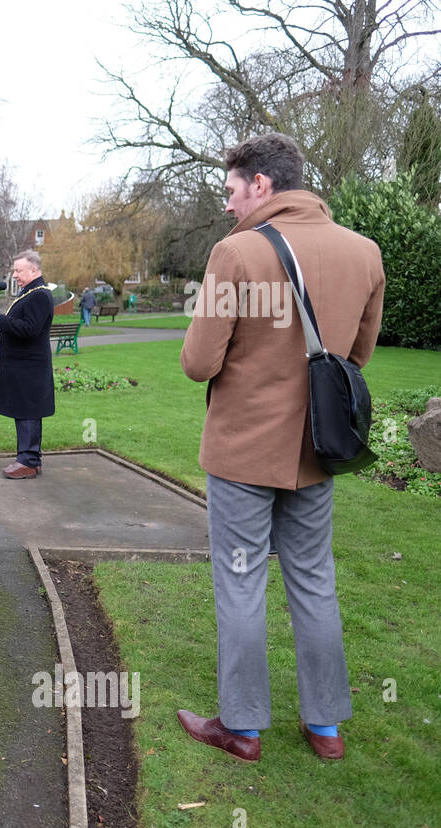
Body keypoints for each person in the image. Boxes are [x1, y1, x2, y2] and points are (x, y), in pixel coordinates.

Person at [176, 132, 383, 763]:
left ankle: (241, 729)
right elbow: (357, 358)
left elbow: (197, 361)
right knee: (314, 581)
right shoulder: (364, 251)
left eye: (233, 190)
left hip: (244, 448)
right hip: (318, 448)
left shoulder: (235, 253)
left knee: (240, 583)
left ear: (260, 184)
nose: (231, 204)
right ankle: (325, 728)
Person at [0, 250, 54, 479]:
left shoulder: (39, 295)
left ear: (34, 270)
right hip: (23, 367)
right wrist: (0, 318)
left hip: (29, 368)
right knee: (23, 412)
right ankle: (27, 458)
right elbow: (23, 323)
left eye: (18, 270)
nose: (14, 275)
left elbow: (30, 329)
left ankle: (29, 461)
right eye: (14, 270)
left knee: (28, 411)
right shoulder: (29, 292)